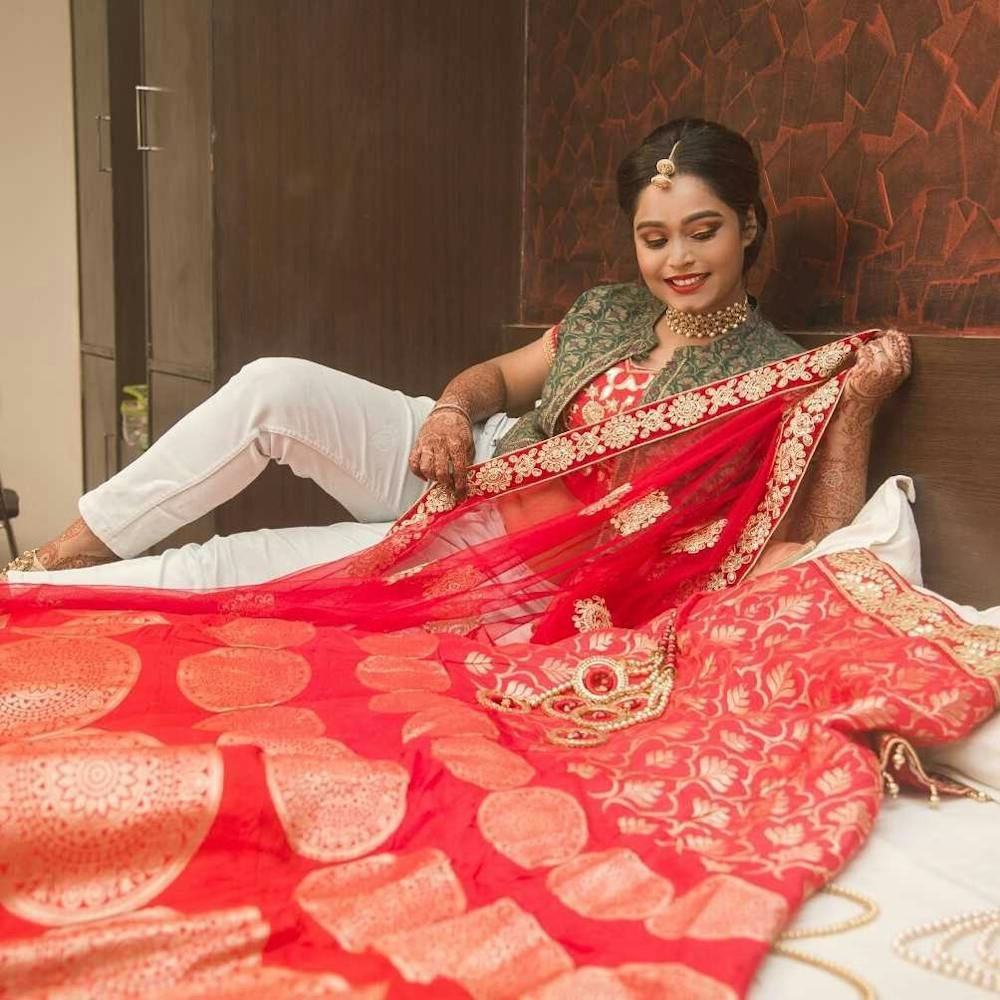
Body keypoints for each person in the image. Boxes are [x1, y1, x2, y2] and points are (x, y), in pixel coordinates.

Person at [1, 118, 909, 587]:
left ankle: (36, 604)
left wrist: (859, 408)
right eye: (655, 236)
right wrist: (445, 410)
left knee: (239, 565)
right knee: (272, 386)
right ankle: (62, 555)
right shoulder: (605, 309)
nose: (676, 260)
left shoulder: (781, 372)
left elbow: (814, 552)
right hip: (469, 457)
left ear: (748, 227)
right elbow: (495, 381)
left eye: (702, 232)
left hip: (529, 548)